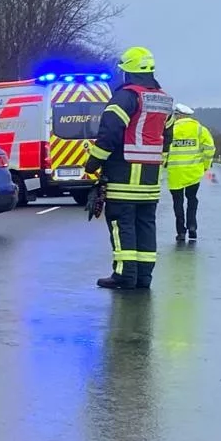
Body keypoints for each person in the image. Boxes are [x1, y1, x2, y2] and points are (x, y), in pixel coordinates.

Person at [83, 46, 175, 290]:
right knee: (145, 225)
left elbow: (110, 134)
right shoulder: (165, 100)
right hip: (150, 179)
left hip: (124, 175)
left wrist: (93, 162)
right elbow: (167, 138)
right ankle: (143, 276)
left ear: (128, 72)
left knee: (121, 223)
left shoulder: (126, 97)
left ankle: (124, 274)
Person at [166, 102, 215, 241]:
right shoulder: (200, 129)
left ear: (178, 115)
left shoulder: (170, 129)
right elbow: (209, 149)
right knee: (192, 199)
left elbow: (163, 148)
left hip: (175, 173)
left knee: (177, 202)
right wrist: (205, 165)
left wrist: (163, 164)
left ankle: (181, 231)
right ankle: (192, 226)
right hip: (193, 173)